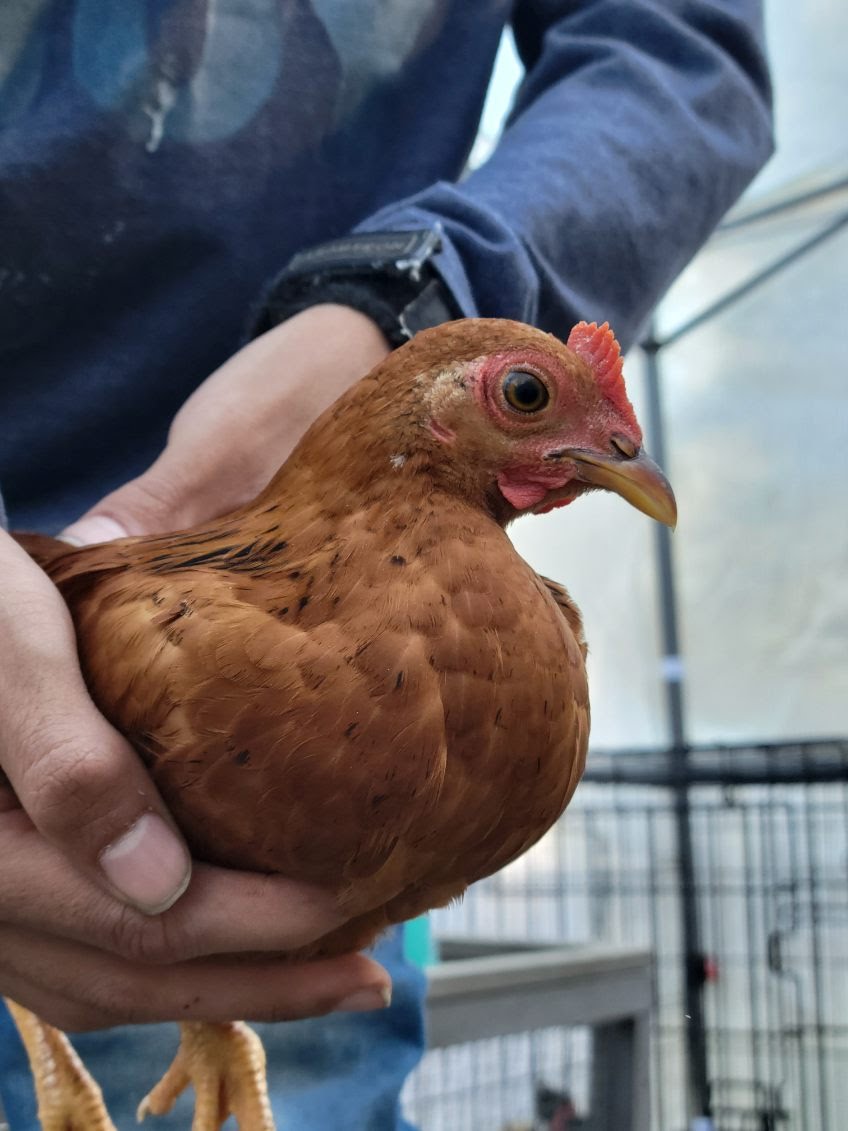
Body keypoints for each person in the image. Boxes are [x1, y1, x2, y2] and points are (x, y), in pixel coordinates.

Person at [0, 2, 772, 1128]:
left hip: (316, 403)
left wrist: (411, 292)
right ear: (427, 420)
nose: (621, 456)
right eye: (525, 398)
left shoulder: (511, 641)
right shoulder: (205, 649)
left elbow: (673, 51)